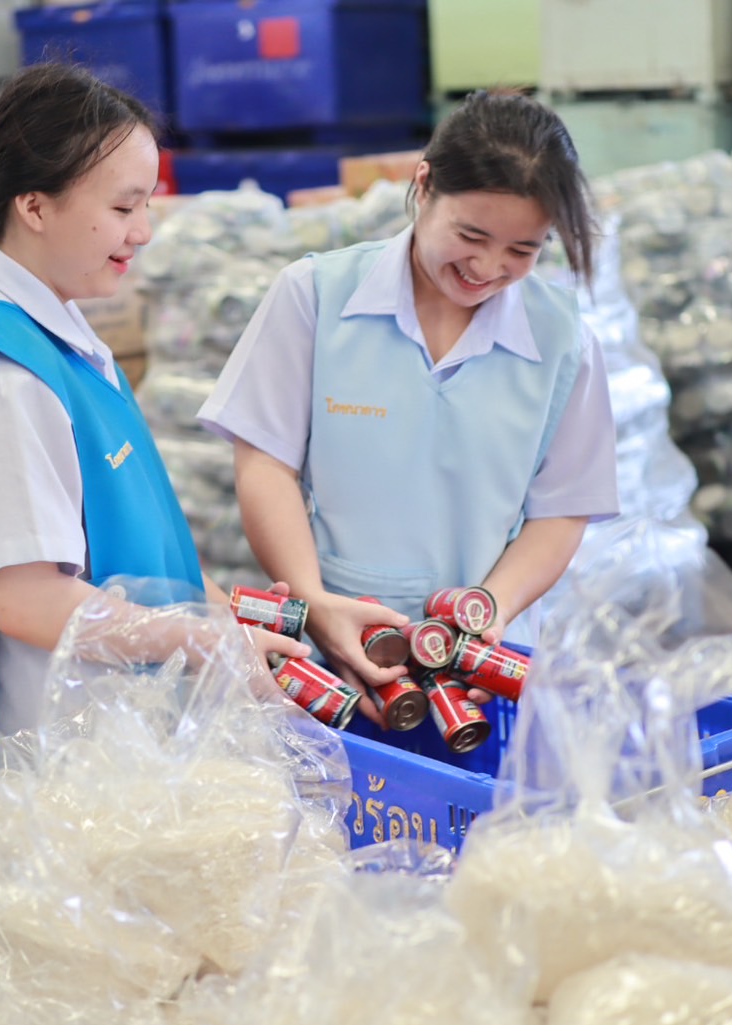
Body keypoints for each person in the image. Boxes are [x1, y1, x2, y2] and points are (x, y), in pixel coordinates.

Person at [0, 63, 309, 754]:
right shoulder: (4, 379)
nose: (143, 232)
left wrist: (229, 621)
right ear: (34, 207)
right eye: (123, 209)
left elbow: (135, 540)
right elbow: (26, 599)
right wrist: (202, 642)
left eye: (147, 206)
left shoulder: (61, 334)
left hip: (123, 736)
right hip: (57, 760)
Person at [198, 90, 620, 732]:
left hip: (482, 666)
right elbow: (265, 465)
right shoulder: (317, 297)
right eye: (470, 235)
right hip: (331, 655)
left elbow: (562, 511)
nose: (487, 266)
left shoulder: (563, 341)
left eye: (523, 250)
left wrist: (489, 615)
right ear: (423, 186)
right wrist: (314, 603)